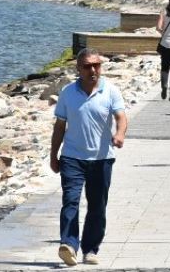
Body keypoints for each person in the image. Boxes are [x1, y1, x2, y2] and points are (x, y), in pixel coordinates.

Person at [50, 48, 128, 267]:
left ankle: (90, 249)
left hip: (101, 159)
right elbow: (59, 126)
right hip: (72, 157)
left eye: (97, 65)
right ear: (78, 69)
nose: (93, 70)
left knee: (97, 206)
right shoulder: (67, 92)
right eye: (87, 66)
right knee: (70, 201)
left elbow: (121, 117)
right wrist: (53, 155)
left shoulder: (110, 90)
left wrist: (119, 134)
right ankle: (68, 245)